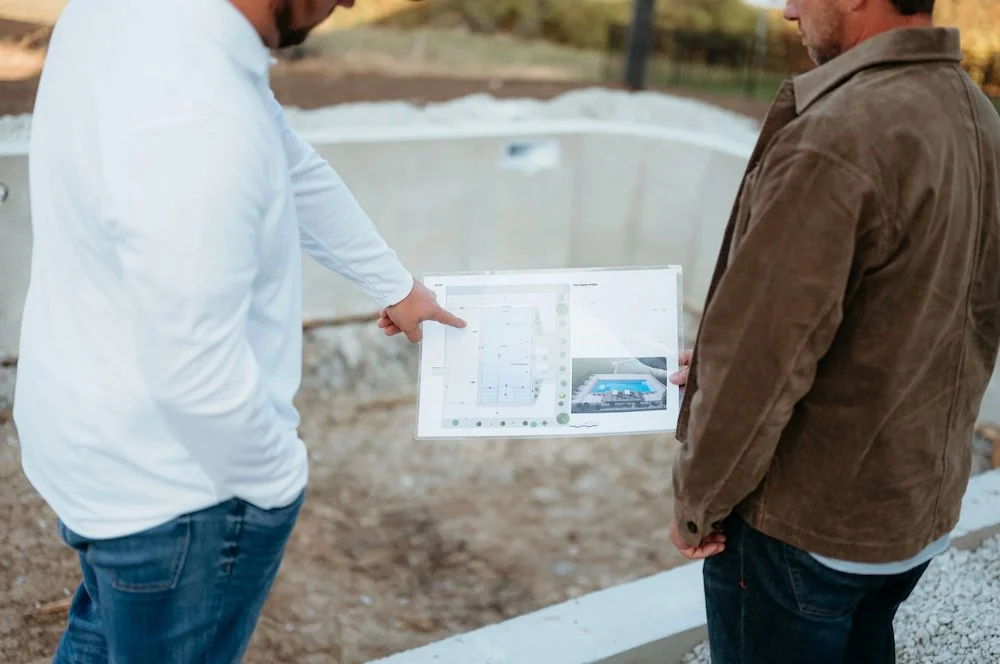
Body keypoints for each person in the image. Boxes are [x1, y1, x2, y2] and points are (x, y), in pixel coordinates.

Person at [13, 0, 463, 662]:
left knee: (103, 640)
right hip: (181, 494)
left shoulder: (132, 17)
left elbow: (290, 163)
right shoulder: (200, 115)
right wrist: (279, 484)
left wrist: (396, 286)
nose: (350, 4)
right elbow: (192, 376)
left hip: (93, 441)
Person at [665, 0, 1000, 662]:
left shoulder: (840, 133)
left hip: (809, 529)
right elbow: (928, 311)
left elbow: (759, 361)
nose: (788, 11)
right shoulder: (979, 119)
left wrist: (696, 502)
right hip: (914, 516)